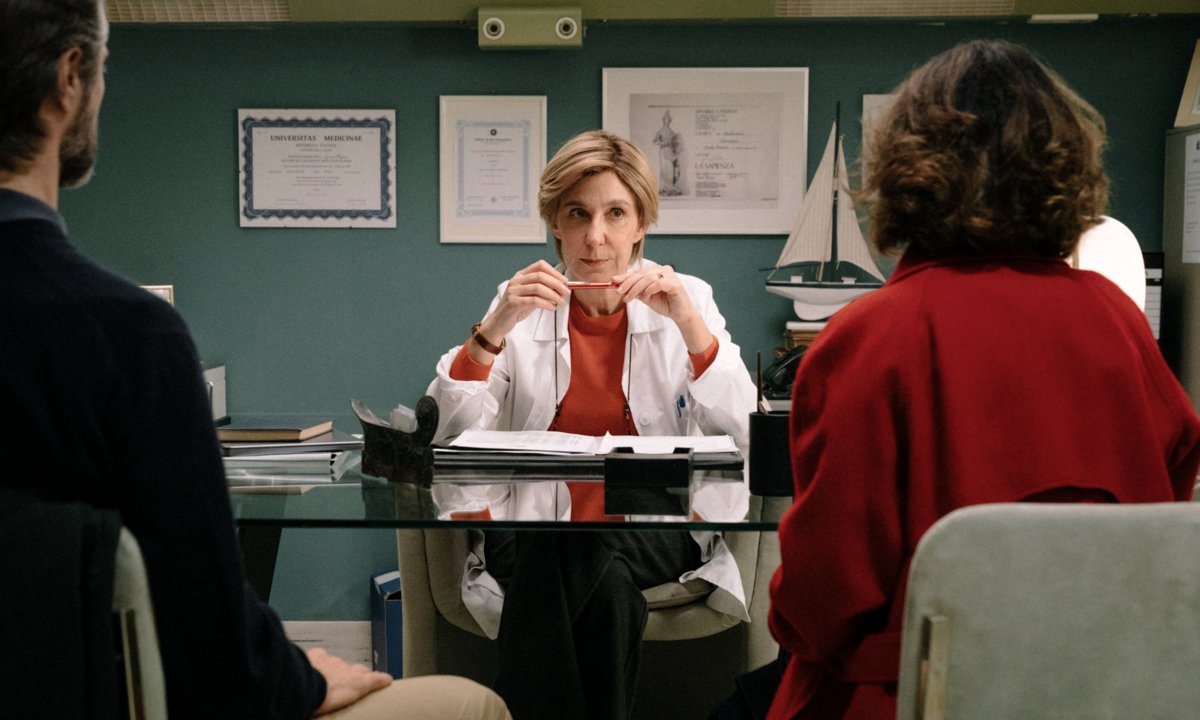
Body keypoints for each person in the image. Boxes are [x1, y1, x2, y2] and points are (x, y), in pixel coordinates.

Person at [0, 2, 510, 719]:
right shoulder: (128, 337)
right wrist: (303, 677)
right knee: (469, 706)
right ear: (69, 77)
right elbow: (209, 636)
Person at [766, 39, 1200, 720]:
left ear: (906, 170)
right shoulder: (1117, 320)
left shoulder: (867, 337)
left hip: (919, 695)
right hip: (1102, 691)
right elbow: (1161, 519)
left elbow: (823, 600)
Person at [426, 129, 757, 719]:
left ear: (641, 224)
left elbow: (747, 433)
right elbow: (445, 432)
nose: (595, 236)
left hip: (654, 529)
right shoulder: (518, 301)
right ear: (555, 222)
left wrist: (690, 327)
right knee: (604, 587)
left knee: (577, 543)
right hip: (530, 528)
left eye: (615, 214)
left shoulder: (691, 299)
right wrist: (494, 329)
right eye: (578, 213)